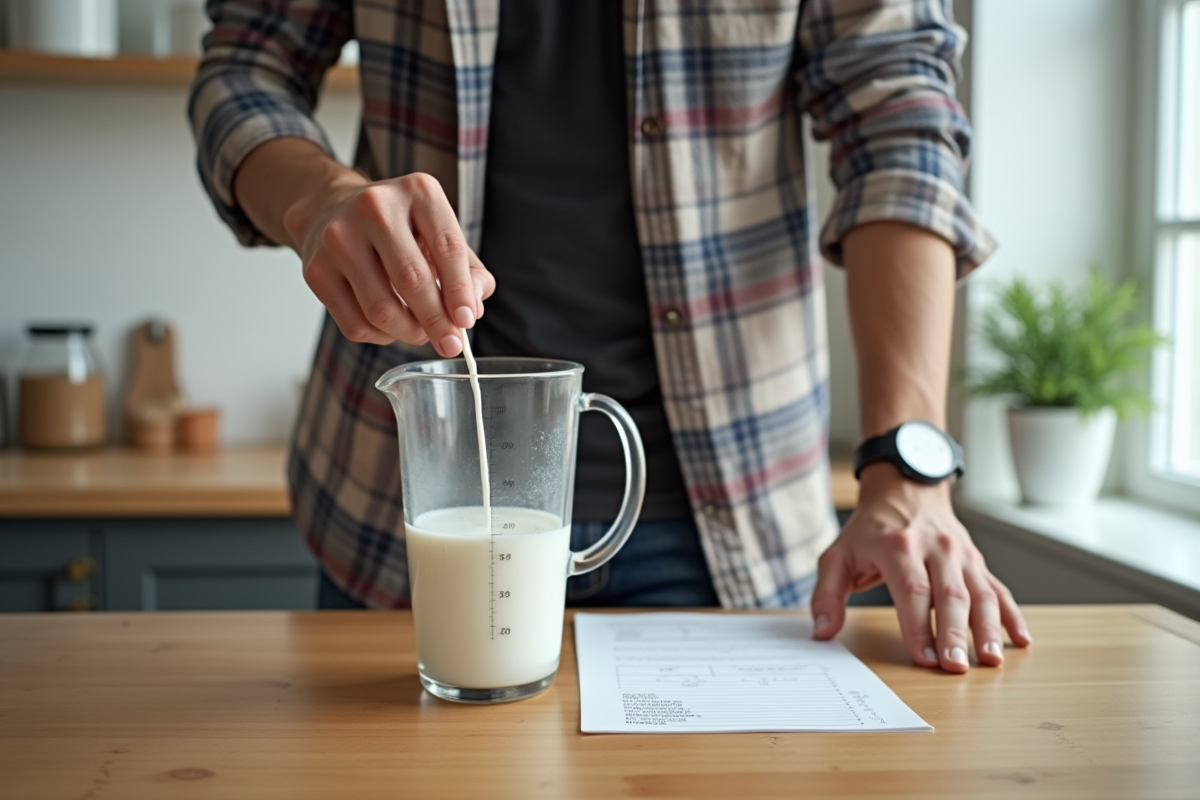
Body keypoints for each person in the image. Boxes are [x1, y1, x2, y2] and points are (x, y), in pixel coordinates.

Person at [189, 0, 1031, 674]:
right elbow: (246, 66)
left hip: (733, 519)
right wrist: (320, 199)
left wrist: (904, 460)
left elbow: (899, 116)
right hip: (395, 511)